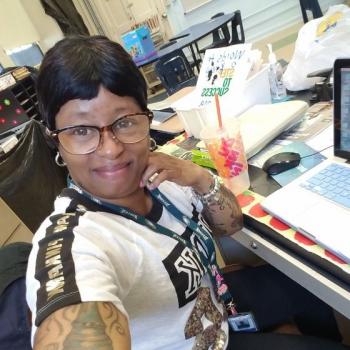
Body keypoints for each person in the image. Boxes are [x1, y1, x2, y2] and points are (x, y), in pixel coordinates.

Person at [26, 35, 348, 350]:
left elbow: (231, 225)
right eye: (81, 131)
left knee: (310, 292)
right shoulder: (75, 241)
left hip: (219, 305)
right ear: (55, 140)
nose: (111, 150)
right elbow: (75, 314)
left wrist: (197, 177)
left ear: (145, 118)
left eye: (124, 122)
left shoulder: (163, 174)